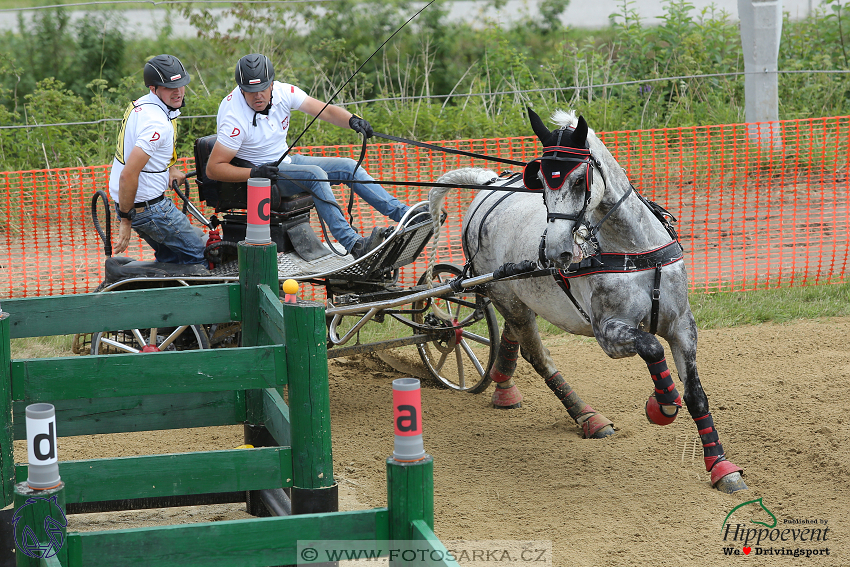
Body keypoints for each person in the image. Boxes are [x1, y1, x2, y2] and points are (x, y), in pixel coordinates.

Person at [206, 53, 412, 259]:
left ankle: (406, 215)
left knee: (349, 167)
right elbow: (214, 168)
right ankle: (354, 244)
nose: (257, 96)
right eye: (251, 91)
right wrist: (254, 172)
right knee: (315, 175)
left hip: (285, 162)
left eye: (262, 89)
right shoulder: (233, 116)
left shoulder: (284, 92)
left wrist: (353, 120)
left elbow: (326, 111)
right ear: (241, 89)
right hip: (262, 177)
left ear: (272, 84)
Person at [108, 54, 206, 265]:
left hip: (133, 203)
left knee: (171, 256)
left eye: (181, 85)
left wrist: (169, 169)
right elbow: (128, 175)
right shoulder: (157, 124)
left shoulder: (141, 105)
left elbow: (145, 153)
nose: (179, 92)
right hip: (149, 209)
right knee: (202, 254)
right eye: (171, 88)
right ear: (154, 88)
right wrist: (125, 220)